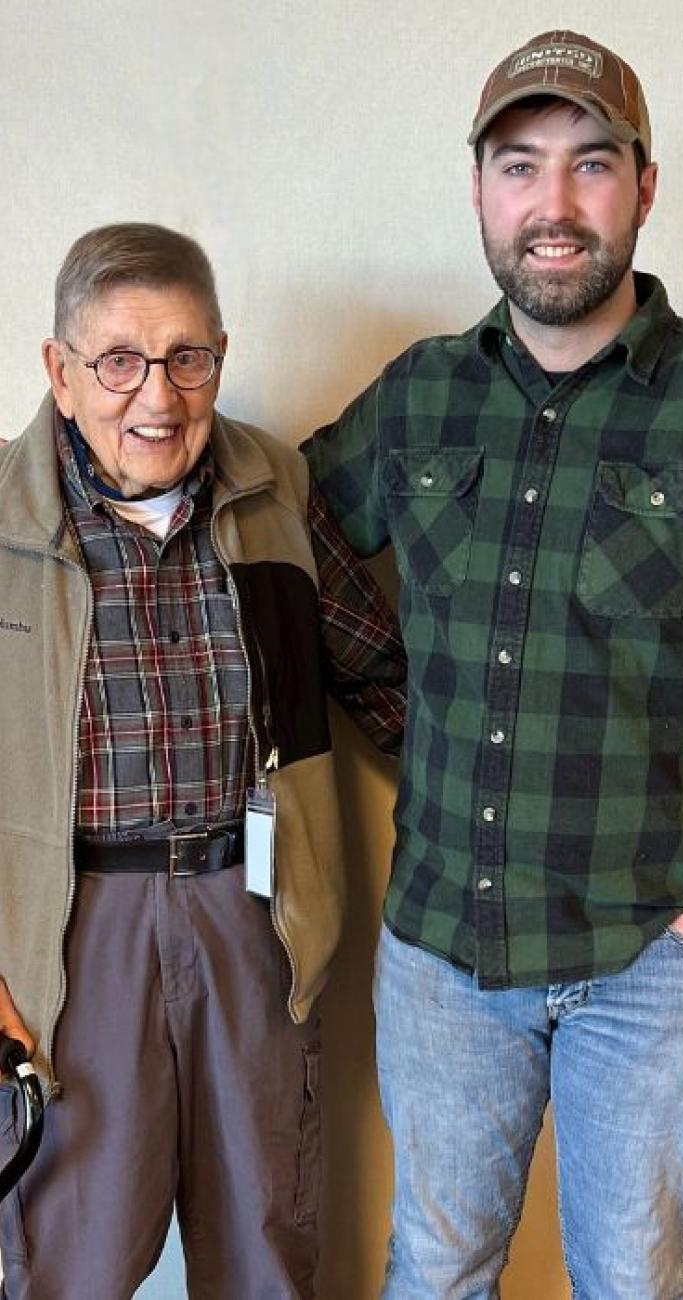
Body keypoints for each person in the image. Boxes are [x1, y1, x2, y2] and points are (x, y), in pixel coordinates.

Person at [303, 29, 683, 1299]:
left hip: (652, 959)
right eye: (520, 167)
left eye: (590, 166)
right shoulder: (418, 399)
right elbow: (279, 530)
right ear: (480, 190)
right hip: (444, 946)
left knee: (632, 1274)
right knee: (438, 1263)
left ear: (645, 186)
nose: (552, 206)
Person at [0, 221, 405, 1299]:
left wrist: (496, 810)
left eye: (189, 358)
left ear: (220, 353)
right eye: (120, 360)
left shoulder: (273, 485)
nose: (159, 397)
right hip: (70, 938)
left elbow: (380, 676)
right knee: (69, 1263)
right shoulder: (4, 520)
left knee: (263, 1247)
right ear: (60, 369)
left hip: (253, 914)